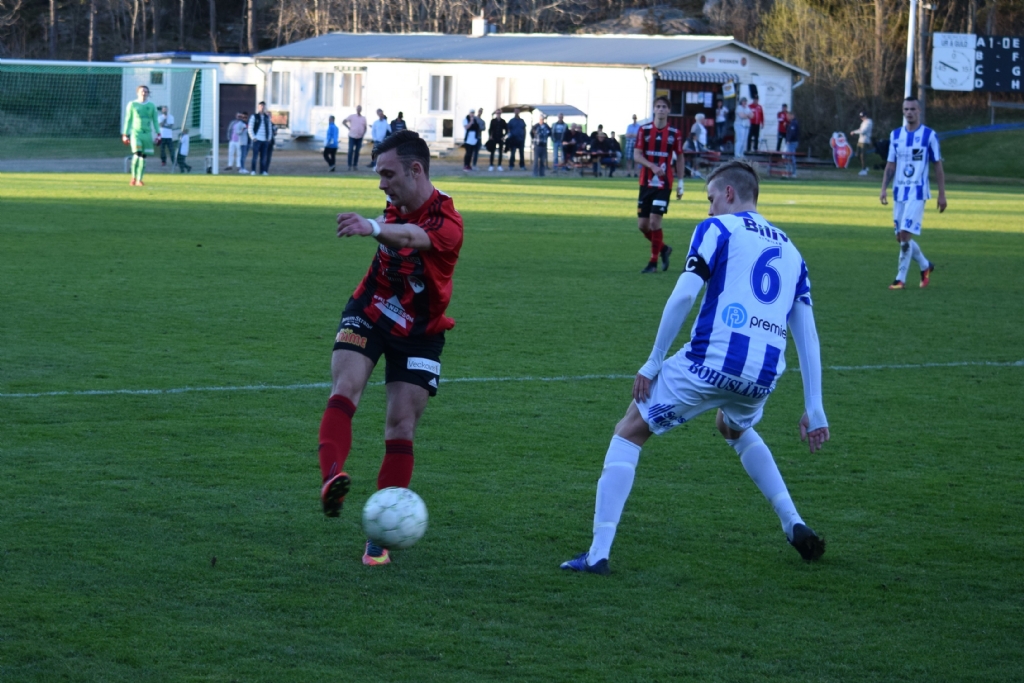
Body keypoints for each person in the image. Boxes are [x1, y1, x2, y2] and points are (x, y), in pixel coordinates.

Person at [560, 160, 830, 575]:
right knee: (731, 426)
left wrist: (653, 360)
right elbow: (807, 335)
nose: (708, 208)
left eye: (710, 198)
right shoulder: (794, 253)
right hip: (762, 375)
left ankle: (597, 553)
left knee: (630, 430)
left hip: (710, 361)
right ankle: (793, 521)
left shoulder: (717, 228)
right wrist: (815, 407)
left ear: (728, 194)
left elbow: (684, 296)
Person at [319, 130, 464, 566]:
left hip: (421, 331)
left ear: (416, 170)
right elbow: (398, 229)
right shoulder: (395, 202)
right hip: (370, 309)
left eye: (388, 174)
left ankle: (379, 535)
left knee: (401, 425)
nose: (381, 184)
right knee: (345, 387)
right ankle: (332, 480)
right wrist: (377, 223)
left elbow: (411, 239)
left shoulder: (448, 223)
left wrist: (372, 227)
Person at [879, 97, 944, 290]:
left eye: (913, 109)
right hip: (899, 192)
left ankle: (900, 279)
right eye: (906, 109)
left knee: (905, 234)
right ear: (903, 111)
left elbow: (937, 165)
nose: (909, 112)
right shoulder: (895, 135)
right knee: (901, 238)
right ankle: (925, 265)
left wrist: (942, 194)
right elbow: (890, 164)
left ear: (919, 111)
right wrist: (883, 188)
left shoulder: (929, 135)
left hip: (918, 192)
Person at [633, 95, 684, 274]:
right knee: (643, 225)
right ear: (654, 109)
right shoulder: (644, 130)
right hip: (645, 183)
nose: (661, 109)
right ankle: (664, 249)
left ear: (668, 110)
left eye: (664, 107)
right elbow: (637, 155)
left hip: (664, 184)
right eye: (658, 106)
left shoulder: (675, 133)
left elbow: (680, 157)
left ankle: (653, 263)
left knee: (655, 221)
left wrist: (681, 183)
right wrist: (652, 166)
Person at [121, 84, 160, 187]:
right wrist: (125, 134)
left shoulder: (151, 106)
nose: (144, 93)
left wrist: (158, 133)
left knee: (143, 157)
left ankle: (139, 180)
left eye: (146, 91)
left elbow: (155, 121)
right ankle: (133, 178)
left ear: (148, 93)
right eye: (142, 91)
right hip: (136, 133)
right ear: (137, 93)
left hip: (147, 134)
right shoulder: (132, 104)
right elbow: (128, 120)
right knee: (137, 154)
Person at [248, 101, 273, 176]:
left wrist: (269, 138)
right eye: (261, 106)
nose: (262, 107)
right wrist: (253, 137)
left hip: (265, 140)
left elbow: (269, 128)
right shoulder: (254, 116)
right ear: (258, 107)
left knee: (264, 157)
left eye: (263, 106)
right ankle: (253, 170)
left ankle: (263, 171)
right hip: (257, 140)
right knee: (255, 156)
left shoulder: (267, 117)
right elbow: (250, 128)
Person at [343, 105, 367, 170]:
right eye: (358, 109)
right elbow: (344, 121)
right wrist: (348, 128)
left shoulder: (363, 118)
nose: (359, 110)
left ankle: (355, 165)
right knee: (350, 150)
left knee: (357, 151)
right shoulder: (352, 116)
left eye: (360, 109)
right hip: (352, 136)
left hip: (360, 137)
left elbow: (365, 127)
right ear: (356, 109)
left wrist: (363, 134)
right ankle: (349, 165)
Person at [851, 110, 874, 176]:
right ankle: (865, 167)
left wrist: (854, 132)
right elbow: (860, 129)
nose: (861, 118)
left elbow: (863, 131)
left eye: (862, 117)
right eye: (861, 117)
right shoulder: (863, 123)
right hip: (860, 140)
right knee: (857, 154)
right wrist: (855, 131)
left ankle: (864, 170)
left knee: (862, 155)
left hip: (865, 141)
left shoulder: (869, 122)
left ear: (866, 116)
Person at [784, 110, 801, 177]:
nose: (787, 117)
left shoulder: (794, 123)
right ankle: (789, 172)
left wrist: (788, 140)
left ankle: (793, 173)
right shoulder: (791, 123)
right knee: (787, 157)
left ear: (792, 116)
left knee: (791, 157)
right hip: (791, 142)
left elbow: (792, 133)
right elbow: (790, 131)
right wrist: (786, 127)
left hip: (792, 143)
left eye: (788, 116)